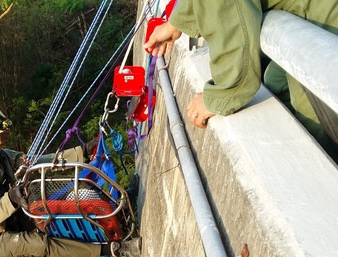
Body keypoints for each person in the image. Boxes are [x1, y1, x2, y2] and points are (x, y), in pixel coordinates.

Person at [0, 104, 141, 257]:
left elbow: (37, 163)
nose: (0, 142)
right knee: (37, 244)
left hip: (13, 214)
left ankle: (120, 210)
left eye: (0, 136)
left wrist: (81, 152)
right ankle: (116, 253)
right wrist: (11, 199)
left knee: (71, 193)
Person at [144, 0, 338, 156]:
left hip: (320, 19)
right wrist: (176, 23)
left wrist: (221, 96)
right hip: (301, 16)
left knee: (314, 112)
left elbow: (234, 21)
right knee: (276, 82)